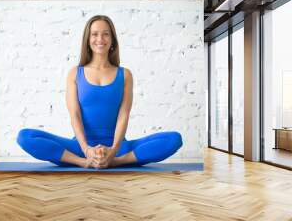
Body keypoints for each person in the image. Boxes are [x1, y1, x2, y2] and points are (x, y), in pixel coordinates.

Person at [17, 15, 182, 169]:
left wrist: (113, 151)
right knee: (25, 137)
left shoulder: (125, 75)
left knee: (174, 139)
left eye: (105, 34)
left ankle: (115, 162)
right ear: (88, 40)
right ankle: (84, 163)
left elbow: (124, 115)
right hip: (81, 147)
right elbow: (74, 115)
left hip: (118, 147)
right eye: (94, 34)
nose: (100, 39)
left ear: (112, 40)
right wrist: (87, 151)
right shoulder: (75, 73)